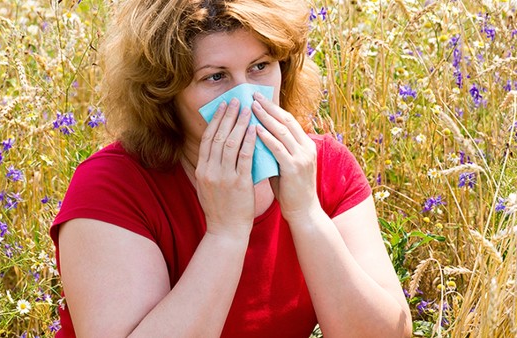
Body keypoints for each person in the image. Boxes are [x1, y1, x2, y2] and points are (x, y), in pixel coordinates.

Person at [49, 0, 412, 337]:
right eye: (215, 77)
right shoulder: (112, 187)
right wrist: (225, 234)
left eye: (260, 66)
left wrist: (307, 216)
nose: (249, 96)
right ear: (164, 93)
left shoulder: (323, 166)